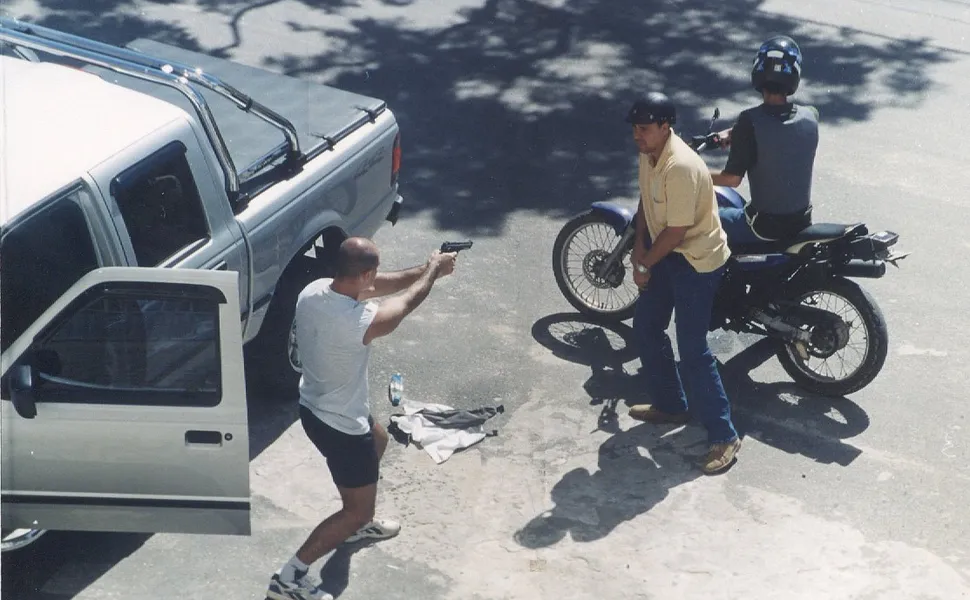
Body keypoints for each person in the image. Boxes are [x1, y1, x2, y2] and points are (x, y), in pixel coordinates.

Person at [266, 238, 458, 600]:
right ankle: (288, 577)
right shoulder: (359, 321)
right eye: (371, 274)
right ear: (364, 273)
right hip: (340, 426)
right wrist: (432, 271)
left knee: (380, 439)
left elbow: (378, 284)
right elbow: (403, 304)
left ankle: (355, 523)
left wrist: (428, 267)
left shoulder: (316, 290)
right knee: (355, 510)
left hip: (315, 406)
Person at [624, 91, 742, 475]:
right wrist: (639, 247)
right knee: (646, 326)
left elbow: (676, 232)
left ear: (664, 127)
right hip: (665, 253)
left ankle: (724, 436)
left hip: (696, 261)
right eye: (635, 129)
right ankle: (670, 404)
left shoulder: (680, 166)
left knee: (692, 348)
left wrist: (644, 265)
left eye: (644, 129)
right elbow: (644, 203)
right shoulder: (648, 155)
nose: (637, 136)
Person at [711, 35, 820, 244]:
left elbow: (731, 180)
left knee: (699, 220)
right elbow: (782, 131)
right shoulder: (811, 115)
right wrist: (737, 133)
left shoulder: (749, 121)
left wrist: (693, 173)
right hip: (801, 222)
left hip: (764, 227)